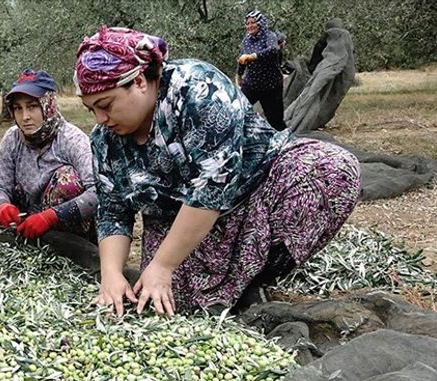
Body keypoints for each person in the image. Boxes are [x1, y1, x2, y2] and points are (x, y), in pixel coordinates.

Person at [74, 26, 361, 316]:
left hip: (257, 190)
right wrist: (111, 275)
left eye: (105, 105)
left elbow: (211, 187)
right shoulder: (104, 141)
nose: (100, 119)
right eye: (91, 110)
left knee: (335, 173)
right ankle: (229, 286)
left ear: (138, 81)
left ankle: (253, 278)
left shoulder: (198, 90)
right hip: (180, 226)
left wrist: (162, 266)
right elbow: (113, 211)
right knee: (173, 303)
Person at [0, 68, 98, 241]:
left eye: (32, 107)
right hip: (28, 214)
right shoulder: (13, 138)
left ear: (48, 105)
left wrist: (50, 217)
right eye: (18, 109)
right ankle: (21, 235)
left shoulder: (72, 139)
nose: (25, 116)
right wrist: (2, 205)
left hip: (63, 222)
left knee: (67, 180)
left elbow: (97, 192)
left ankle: (64, 244)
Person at [237, 10, 287, 131]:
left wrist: (253, 56)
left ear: (260, 23)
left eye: (253, 22)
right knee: (238, 110)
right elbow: (242, 59)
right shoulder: (246, 41)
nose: (249, 26)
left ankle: (285, 143)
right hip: (251, 85)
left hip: (271, 87)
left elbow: (272, 51)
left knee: (275, 120)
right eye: (247, 23)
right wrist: (238, 75)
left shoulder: (269, 36)